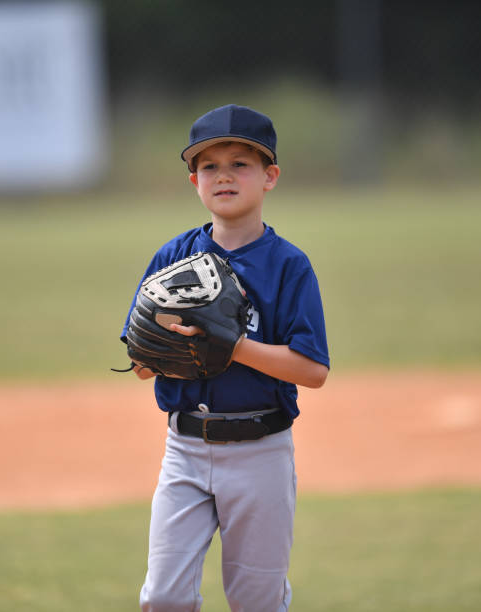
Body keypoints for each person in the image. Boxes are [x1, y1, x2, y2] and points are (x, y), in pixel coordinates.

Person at [120, 104, 330, 612]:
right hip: (185, 450)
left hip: (261, 450)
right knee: (164, 597)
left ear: (269, 177)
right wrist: (168, 350)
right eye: (209, 166)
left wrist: (233, 346)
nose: (224, 175)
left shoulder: (288, 265)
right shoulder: (174, 257)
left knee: (256, 601)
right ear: (195, 180)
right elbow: (142, 359)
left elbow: (312, 370)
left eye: (240, 163)